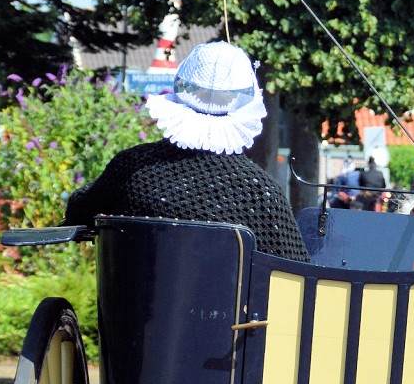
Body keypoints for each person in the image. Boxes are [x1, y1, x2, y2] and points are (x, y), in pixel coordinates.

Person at [64, 41, 309, 260]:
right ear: (248, 102)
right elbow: (296, 270)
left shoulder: (131, 167)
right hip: (226, 312)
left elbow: (78, 210)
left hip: (132, 307)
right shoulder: (261, 193)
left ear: (178, 88)